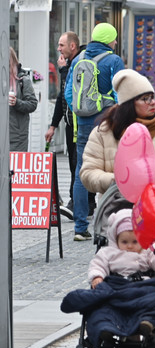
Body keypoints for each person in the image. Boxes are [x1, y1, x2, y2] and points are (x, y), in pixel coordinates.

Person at [79, 68, 155, 211]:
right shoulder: (104, 132)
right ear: (129, 103)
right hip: (116, 210)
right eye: (145, 99)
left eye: (152, 97)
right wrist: (116, 180)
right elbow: (88, 172)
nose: (152, 102)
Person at [64, 22, 127, 241]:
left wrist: (80, 112)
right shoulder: (114, 60)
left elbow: (69, 93)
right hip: (107, 123)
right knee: (113, 169)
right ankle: (113, 222)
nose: (116, 41)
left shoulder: (78, 59)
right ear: (108, 39)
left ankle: (80, 227)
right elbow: (121, 93)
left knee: (83, 171)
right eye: (114, 38)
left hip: (82, 124)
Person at [44, 32, 90, 218]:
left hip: (81, 123)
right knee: (74, 163)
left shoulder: (79, 64)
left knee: (78, 163)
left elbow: (70, 92)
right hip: (71, 123)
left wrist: (63, 71)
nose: (58, 49)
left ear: (72, 46)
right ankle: (80, 203)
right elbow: (61, 98)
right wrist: (53, 125)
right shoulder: (69, 65)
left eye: (61, 45)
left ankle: (79, 203)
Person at [87, 209, 155, 288]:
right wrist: (97, 277)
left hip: (144, 285)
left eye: (135, 242)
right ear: (116, 240)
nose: (129, 246)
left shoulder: (147, 249)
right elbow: (98, 265)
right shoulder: (108, 252)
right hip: (117, 286)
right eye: (124, 242)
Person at [8, 47, 38, 152]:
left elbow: (32, 104)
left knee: (14, 167)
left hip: (17, 139)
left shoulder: (22, 80)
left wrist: (17, 102)